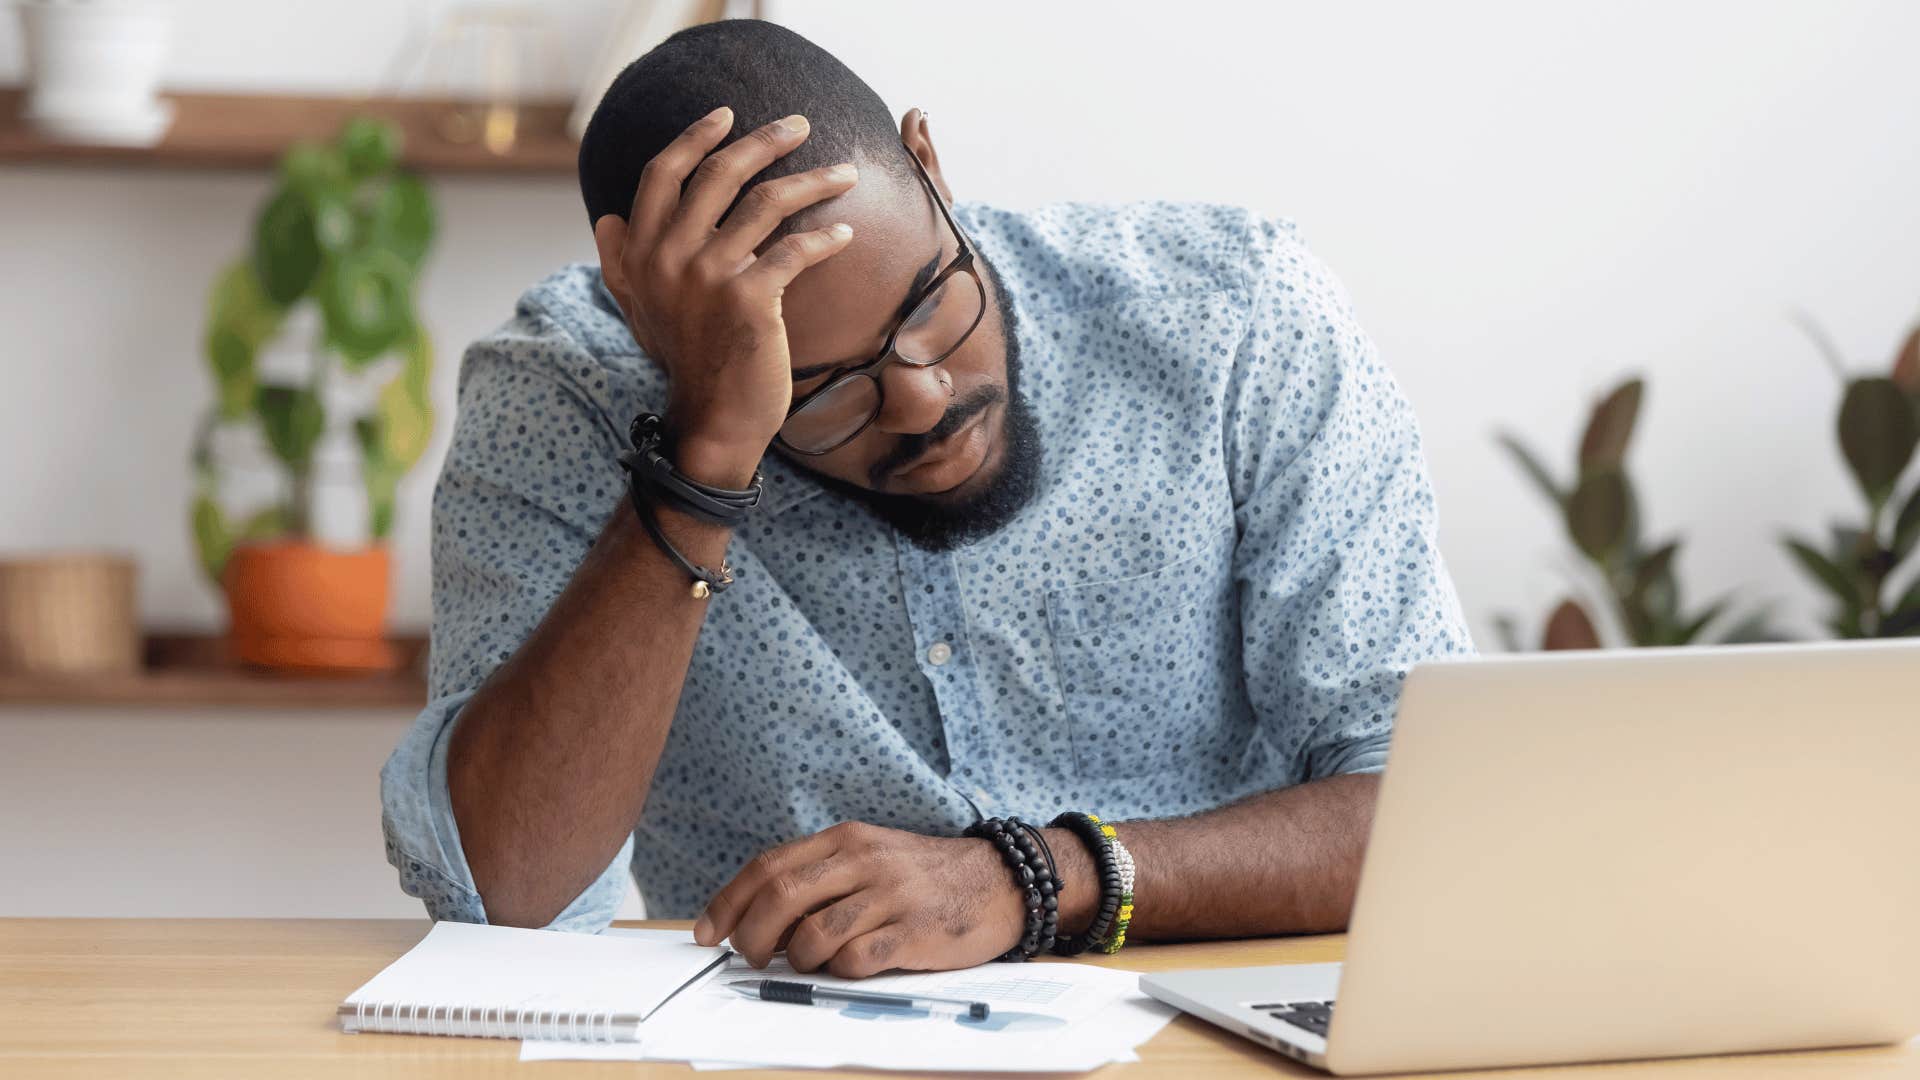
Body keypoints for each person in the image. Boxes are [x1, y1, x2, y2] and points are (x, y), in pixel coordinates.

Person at [381, 18, 1474, 978]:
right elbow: (507, 894)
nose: (922, 398)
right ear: (647, 325)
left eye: (930, 302)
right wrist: (706, 447)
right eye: (817, 390)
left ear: (931, 164)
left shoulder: (1235, 321)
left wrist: (1035, 880)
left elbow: (1435, 811)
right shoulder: (563, 393)